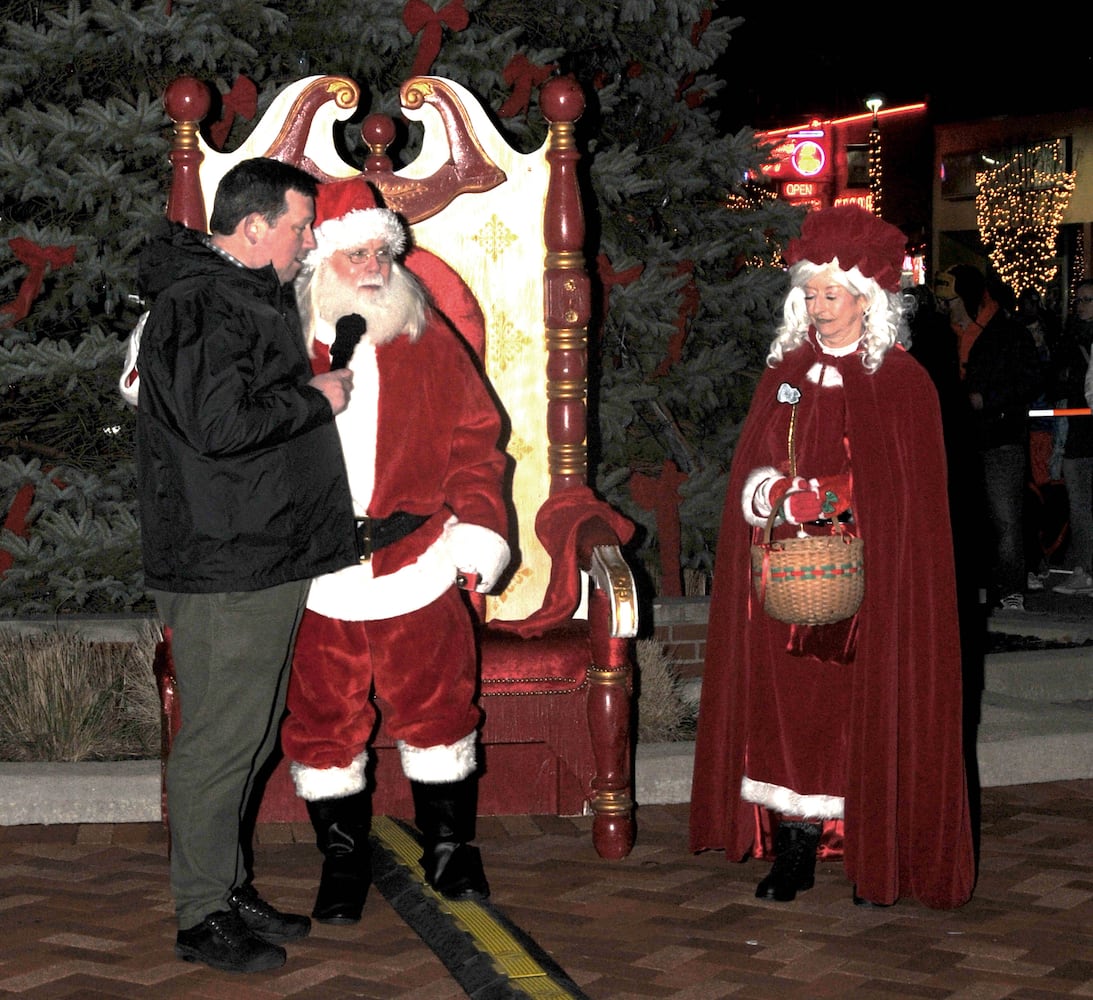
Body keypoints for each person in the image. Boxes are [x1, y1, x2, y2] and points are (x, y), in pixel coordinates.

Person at [689, 205, 976, 910]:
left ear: (866, 299)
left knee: (861, 711)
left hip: (872, 591)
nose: (818, 309)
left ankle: (868, 844)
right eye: (809, 295)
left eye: (831, 295)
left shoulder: (901, 383)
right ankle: (794, 847)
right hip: (786, 583)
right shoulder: (786, 373)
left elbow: (907, 498)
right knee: (788, 711)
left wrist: (835, 504)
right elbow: (754, 463)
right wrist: (770, 497)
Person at [134, 157, 358, 973]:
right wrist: (317, 398)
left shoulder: (236, 297)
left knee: (252, 735)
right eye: (299, 226)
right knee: (221, 743)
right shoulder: (202, 303)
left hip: (257, 552)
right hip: (224, 561)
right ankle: (200, 915)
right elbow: (218, 425)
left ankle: (225, 887)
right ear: (254, 226)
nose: (308, 241)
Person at [279, 177, 511, 924]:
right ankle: (343, 859)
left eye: (383, 251)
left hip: (415, 562)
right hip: (315, 576)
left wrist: (479, 524)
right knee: (322, 722)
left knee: (439, 710)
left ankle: (451, 848)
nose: (374, 265)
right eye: (356, 253)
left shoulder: (428, 339)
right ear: (320, 260)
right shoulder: (279, 346)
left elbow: (477, 445)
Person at [939, 264, 1044, 612]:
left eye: (952, 300)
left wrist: (988, 399)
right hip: (961, 439)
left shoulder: (1008, 333)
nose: (947, 308)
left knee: (1005, 518)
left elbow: (1030, 380)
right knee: (969, 517)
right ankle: (980, 582)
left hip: (1000, 437)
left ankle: (1012, 587)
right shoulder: (946, 334)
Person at [1049, 279, 1093, 594]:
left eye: (1088, 300)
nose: (1081, 305)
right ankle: (1083, 569)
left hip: (1083, 429)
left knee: (1082, 505)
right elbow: (1057, 380)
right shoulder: (1070, 338)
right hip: (1077, 431)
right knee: (1078, 505)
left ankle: (1085, 570)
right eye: (1078, 299)